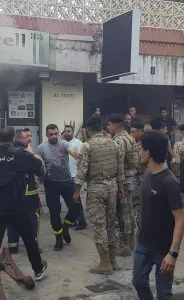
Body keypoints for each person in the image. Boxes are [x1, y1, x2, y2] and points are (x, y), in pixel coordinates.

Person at [0, 127, 48, 300]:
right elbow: (41, 169)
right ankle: (38, 270)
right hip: (16, 206)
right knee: (29, 239)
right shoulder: (20, 154)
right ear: (14, 138)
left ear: (0, 138)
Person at [132, 130, 184, 300]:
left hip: (163, 250)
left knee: (164, 294)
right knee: (138, 281)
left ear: (147, 153)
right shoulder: (148, 174)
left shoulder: (169, 182)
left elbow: (180, 219)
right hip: (143, 244)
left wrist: (173, 253)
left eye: (141, 149)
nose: (139, 152)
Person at [74, 116, 124, 274]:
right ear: (102, 127)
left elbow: (82, 171)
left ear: (88, 129)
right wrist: (120, 188)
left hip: (96, 189)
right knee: (110, 224)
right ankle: (113, 259)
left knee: (98, 226)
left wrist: (76, 191)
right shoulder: (114, 143)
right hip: (112, 188)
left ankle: (104, 263)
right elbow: (120, 168)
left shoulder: (88, 146)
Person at [37, 124, 79, 251]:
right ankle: (58, 238)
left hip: (66, 181)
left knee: (76, 207)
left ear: (58, 133)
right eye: (51, 134)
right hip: (51, 184)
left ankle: (65, 227)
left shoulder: (64, 144)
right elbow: (39, 164)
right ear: (46, 135)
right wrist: (37, 180)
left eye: (55, 133)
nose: (54, 136)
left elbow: (72, 152)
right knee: (54, 212)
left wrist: (78, 156)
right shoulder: (41, 147)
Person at [108, 114, 139, 256]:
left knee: (123, 213)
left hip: (123, 181)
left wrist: (119, 186)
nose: (108, 128)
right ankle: (132, 242)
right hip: (131, 178)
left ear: (115, 125)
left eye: (109, 125)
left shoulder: (119, 140)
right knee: (130, 211)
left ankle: (124, 245)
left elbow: (119, 163)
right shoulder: (130, 138)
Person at [7, 130, 41, 254]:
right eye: (26, 137)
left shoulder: (8, 152)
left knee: (13, 217)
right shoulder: (26, 153)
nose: (29, 139)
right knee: (33, 217)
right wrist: (33, 155)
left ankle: (13, 246)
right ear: (17, 138)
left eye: (30, 136)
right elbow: (40, 168)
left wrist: (34, 178)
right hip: (27, 192)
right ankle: (32, 245)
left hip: (11, 192)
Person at [63, 125, 87, 230]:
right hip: (66, 175)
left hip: (75, 175)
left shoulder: (78, 143)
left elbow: (84, 157)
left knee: (76, 200)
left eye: (69, 131)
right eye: (65, 131)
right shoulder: (63, 144)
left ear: (72, 132)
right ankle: (73, 219)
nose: (67, 133)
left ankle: (82, 221)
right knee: (70, 200)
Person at [130, 122, 146, 230]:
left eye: (132, 132)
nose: (131, 134)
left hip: (141, 178)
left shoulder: (143, 145)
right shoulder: (135, 144)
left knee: (140, 207)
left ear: (140, 131)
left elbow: (138, 164)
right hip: (137, 178)